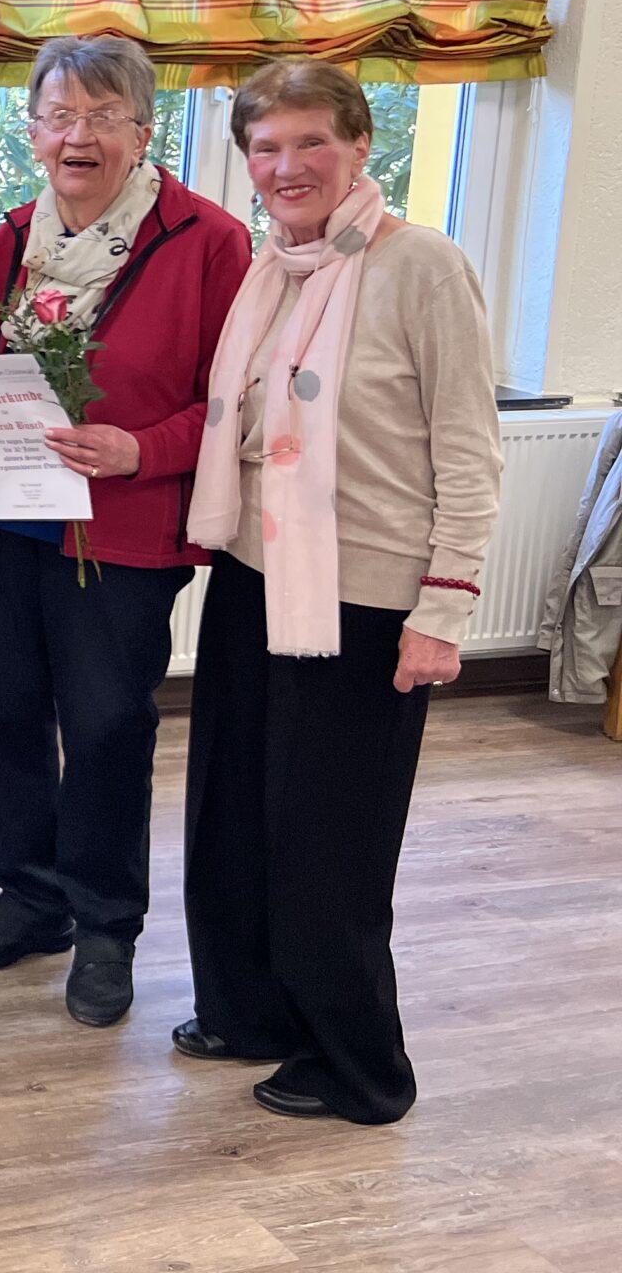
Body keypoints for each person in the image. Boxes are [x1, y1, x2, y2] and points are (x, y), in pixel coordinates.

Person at [177, 61, 499, 1124]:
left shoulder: (421, 266)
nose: (287, 166)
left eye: (311, 141)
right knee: (232, 815)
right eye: (266, 147)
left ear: (360, 145)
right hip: (253, 577)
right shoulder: (272, 267)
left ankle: (359, 1065)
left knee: (331, 841)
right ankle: (249, 1011)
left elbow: (469, 453)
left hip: (366, 596)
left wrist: (441, 612)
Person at [0, 35, 249, 1028]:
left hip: (124, 532)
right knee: (9, 714)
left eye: (103, 117)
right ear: (32, 132)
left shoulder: (209, 241)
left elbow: (237, 404)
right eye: (59, 116)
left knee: (105, 726)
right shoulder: (16, 236)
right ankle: (29, 897)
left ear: (143, 132)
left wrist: (140, 450)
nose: (78, 136)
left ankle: (105, 925)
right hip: (6, 520)